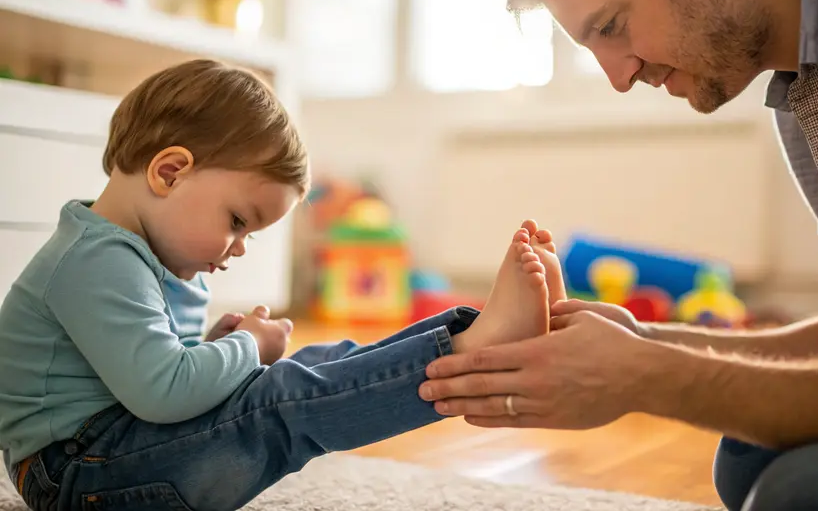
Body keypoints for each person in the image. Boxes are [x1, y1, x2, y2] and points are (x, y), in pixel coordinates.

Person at [417, 0, 818, 509]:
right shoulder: (805, 86)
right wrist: (645, 341)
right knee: (749, 459)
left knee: (805, 494)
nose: (620, 77)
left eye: (613, 26)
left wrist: (643, 374)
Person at [0, 58, 560, 511]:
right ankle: (468, 351)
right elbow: (162, 393)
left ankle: (471, 338)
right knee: (284, 398)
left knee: (316, 363)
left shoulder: (131, 257)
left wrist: (218, 347)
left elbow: (150, 378)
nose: (240, 247)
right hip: (75, 476)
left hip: (104, 455)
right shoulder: (98, 262)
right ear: (169, 172)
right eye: (238, 221)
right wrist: (247, 348)